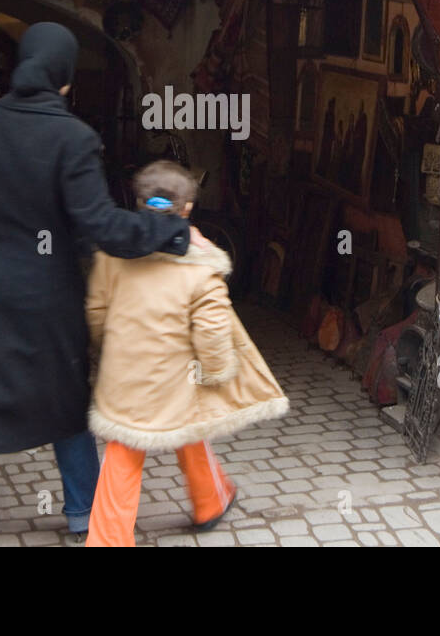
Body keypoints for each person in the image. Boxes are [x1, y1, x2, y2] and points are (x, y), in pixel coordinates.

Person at [0, 22, 204, 547]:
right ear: (65, 80)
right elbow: (103, 227)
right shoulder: (73, 138)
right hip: (49, 299)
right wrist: (169, 229)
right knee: (66, 404)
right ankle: (85, 516)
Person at [84, 160, 289, 547]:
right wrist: (217, 370)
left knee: (125, 450)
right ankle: (210, 501)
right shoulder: (202, 264)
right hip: (177, 380)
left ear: (139, 202)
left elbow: (96, 312)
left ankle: (110, 538)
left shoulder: (113, 254)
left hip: (125, 378)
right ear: (188, 209)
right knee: (189, 420)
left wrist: (107, 349)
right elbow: (212, 331)